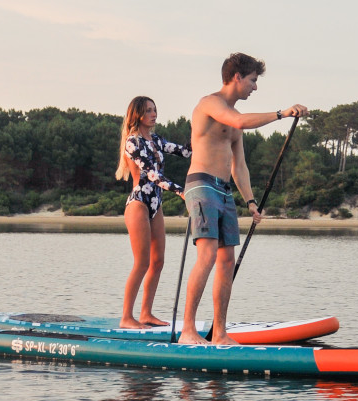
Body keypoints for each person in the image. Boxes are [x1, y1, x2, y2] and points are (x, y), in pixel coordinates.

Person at [178, 53, 307, 345]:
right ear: (237, 77)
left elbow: (239, 166)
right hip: (201, 185)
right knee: (208, 255)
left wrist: (250, 202)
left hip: (224, 191)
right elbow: (239, 121)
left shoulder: (235, 124)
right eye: (253, 80)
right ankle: (188, 330)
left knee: (226, 261)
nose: (255, 87)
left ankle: (220, 333)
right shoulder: (210, 103)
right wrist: (282, 114)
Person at [115, 96, 191, 329]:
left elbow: (185, 152)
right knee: (142, 262)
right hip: (139, 203)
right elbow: (151, 174)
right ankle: (127, 317)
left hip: (156, 204)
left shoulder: (156, 140)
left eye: (155, 110)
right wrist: (180, 191)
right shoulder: (132, 142)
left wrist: (206, 134)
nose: (154, 114)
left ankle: (146, 313)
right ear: (137, 114)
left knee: (158, 261)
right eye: (148, 110)